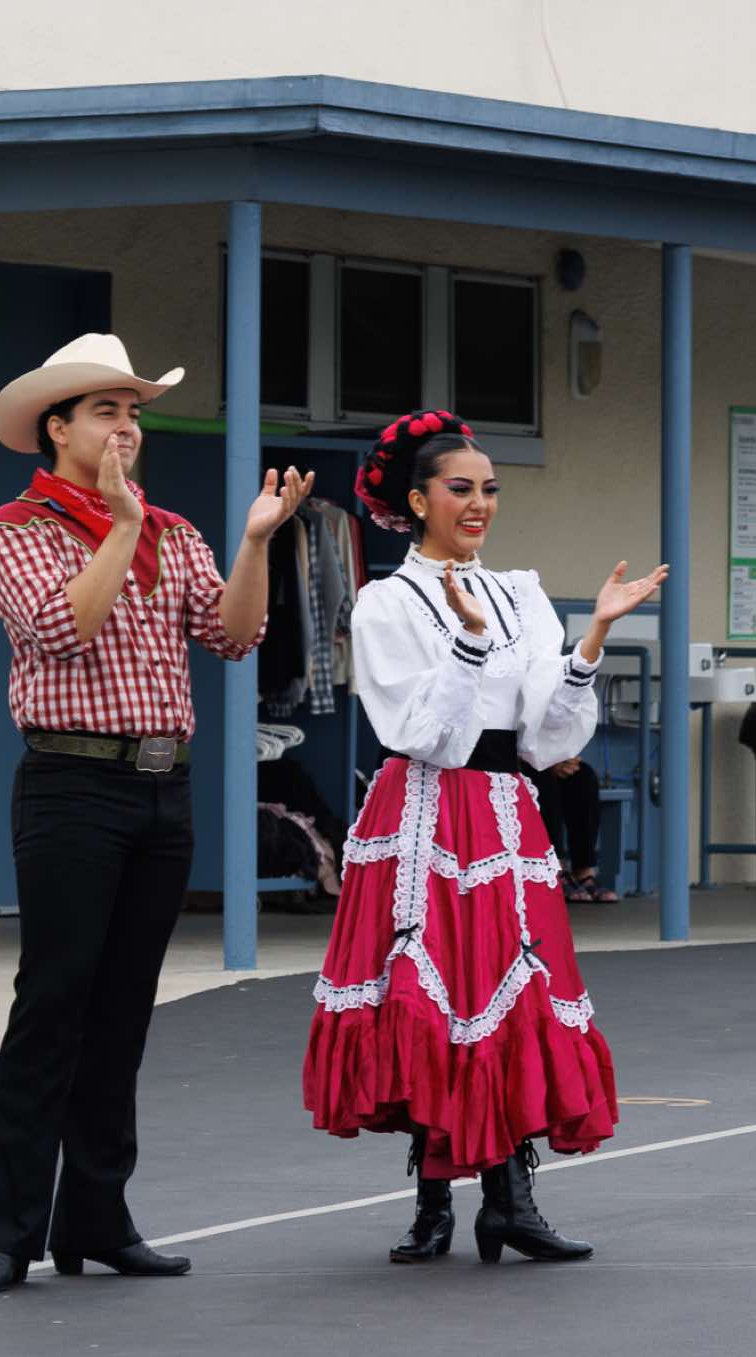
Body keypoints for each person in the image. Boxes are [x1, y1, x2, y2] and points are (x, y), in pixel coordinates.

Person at [0, 333, 309, 1293]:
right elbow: (61, 627)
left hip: (162, 787)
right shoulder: (18, 530)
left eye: (133, 412)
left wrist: (254, 541)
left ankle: (97, 1217)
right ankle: (7, 1230)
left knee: (122, 1013)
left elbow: (235, 635)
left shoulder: (176, 531)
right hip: (72, 783)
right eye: (106, 411)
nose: (127, 427)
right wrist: (118, 525)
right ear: (57, 428)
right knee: (53, 1004)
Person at [302, 408, 665, 1264]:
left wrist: (593, 638)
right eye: (460, 488)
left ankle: (509, 1198)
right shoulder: (385, 601)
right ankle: (433, 1200)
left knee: (509, 993)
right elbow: (419, 732)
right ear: (417, 499)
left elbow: (544, 735)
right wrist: (467, 645)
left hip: (503, 809)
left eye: (490, 489)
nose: (479, 504)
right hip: (425, 810)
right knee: (427, 997)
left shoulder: (520, 593)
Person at [525, 756, 619, 903]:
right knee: (543, 777)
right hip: (514, 762)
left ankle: (583, 871)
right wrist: (545, 760)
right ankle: (556, 868)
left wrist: (563, 757)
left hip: (548, 757)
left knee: (583, 775)